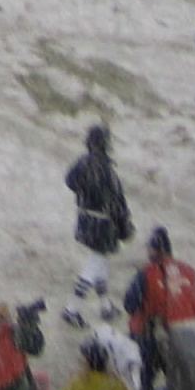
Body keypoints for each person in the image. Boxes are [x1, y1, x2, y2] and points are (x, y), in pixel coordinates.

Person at [122, 231, 195, 390]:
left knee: (143, 385)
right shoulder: (189, 272)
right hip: (182, 339)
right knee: (179, 388)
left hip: (149, 339)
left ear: (156, 249)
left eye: (150, 249)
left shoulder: (147, 273)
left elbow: (130, 304)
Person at [65, 126, 133, 326]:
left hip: (85, 217)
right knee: (95, 262)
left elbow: (69, 181)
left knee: (101, 262)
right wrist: (124, 222)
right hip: (103, 222)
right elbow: (117, 200)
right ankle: (72, 309)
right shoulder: (106, 169)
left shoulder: (82, 162)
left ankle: (105, 306)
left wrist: (83, 194)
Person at [55, 341, 129, 390]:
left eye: (80, 360)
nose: (78, 363)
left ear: (85, 362)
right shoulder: (118, 383)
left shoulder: (76, 384)